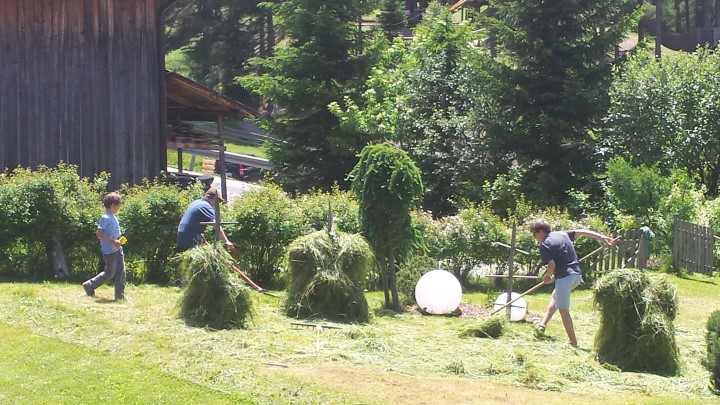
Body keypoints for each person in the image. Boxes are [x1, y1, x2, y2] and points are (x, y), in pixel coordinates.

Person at [530, 219, 614, 347]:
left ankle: (573, 341)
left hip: (565, 276)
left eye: (534, 234)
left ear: (540, 231)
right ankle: (542, 324)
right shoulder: (562, 234)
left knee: (563, 310)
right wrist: (601, 237)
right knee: (555, 296)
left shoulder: (545, 244)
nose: (535, 238)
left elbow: (551, 265)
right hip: (576, 275)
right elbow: (581, 232)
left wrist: (547, 276)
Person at [82, 192, 126, 301]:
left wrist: (119, 240)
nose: (119, 208)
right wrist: (112, 241)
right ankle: (89, 285)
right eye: (118, 206)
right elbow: (99, 233)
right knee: (109, 273)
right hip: (110, 251)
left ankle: (119, 296)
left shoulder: (113, 217)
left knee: (122, 272)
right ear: (112, 205)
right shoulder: (105, 218)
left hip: (117, 249)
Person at [176, 186, 235, 253]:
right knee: (203, 259)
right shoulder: (206, 206)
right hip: (191, 237)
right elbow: (216, 224)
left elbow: (193, 223)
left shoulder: (196, 202)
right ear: (214, 198)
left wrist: (204, 242)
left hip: (181, 235)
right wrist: (226, 241)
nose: (216, 205)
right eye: (217, 202)